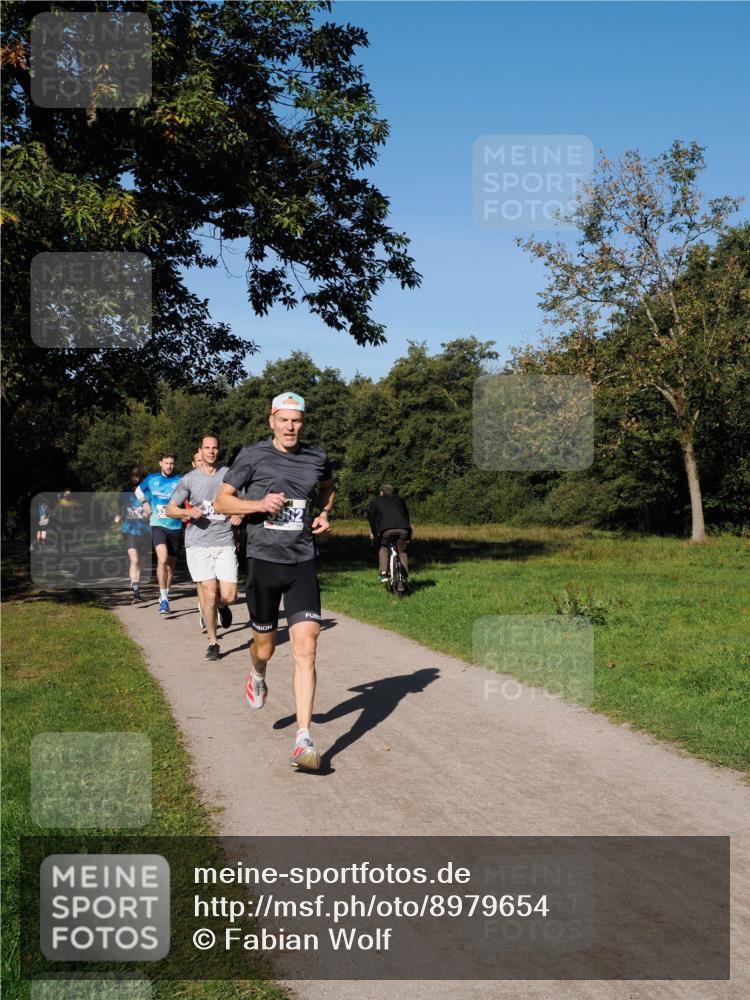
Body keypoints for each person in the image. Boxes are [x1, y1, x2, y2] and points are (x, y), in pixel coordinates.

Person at [214, 391, 335, 771]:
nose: (290, 427)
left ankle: (303, 738)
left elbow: (328, 488)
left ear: (303, 423)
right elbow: (222, 502)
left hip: (302, 562)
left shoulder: (316, 457)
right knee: (265, 648)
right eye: (283, 420)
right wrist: (258, 505)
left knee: (307, 647)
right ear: (272, 421)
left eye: (296, 421)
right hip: (263, 562)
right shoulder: (252, 456)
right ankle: (257, 673)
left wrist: (324, 514)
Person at [166, 434, 242, 660]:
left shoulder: (229, 475)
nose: (211, 451)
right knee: (208, 593)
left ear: (219, 450)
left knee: (230, 595)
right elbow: (170, 509)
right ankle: (213, 642)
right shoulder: (190, 479)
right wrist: (187, 511)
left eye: (214, 448)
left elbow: (244, 501)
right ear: (200, 451)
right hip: (198, 544)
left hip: (224, 541)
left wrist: (240, 514)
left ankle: (222, 606)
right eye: (207, 448)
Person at [135, 453, 183, 615]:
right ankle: (163, 600)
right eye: (166, 463)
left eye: (172, 463)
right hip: (157, 524)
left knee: (171, 565)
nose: (169, 466)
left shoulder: (180, 480)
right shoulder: (152, 479)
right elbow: (138, 490)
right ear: (160, 463)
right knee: (162, 559)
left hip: (175, 526)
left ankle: (165, 594)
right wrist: (144, 502)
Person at [113, 465, 150, 603]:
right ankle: (136, 592)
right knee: (134, 560)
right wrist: (118, 516)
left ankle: (135, 582)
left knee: (141, 563)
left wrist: (147, 515)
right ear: (130, 477)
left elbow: (150, 510)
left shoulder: (147, 492)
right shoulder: (125, 492)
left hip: (145, 531)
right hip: (129, 530)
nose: (136, 478)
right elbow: (120, 507)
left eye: (138, 475)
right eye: (134, 475)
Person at [368, 484, 412, 590]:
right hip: (403, 529)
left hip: (386, 530)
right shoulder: (399, 500)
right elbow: (406, 515)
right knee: (402, 551)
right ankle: (404, 576)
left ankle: (383, 573)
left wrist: (375, 533)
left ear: (381, 492)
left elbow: (371, 517)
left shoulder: (376, 501)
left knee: (383, 547)